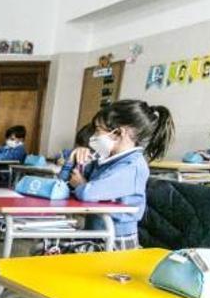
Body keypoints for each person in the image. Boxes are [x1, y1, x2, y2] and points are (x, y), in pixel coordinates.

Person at [69, 100, 174, 250]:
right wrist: (75, 157)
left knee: (50, 250)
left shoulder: (132, 166)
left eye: (98, 130)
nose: (93, 135)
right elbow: (70, 179)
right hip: (98, 233)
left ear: (119, 132)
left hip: (117, 241)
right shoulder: (107, 160)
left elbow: (89, 192)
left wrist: (81, 184)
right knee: (49, 247)